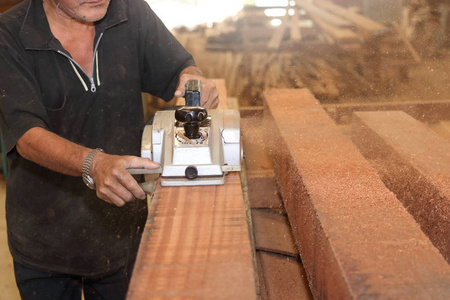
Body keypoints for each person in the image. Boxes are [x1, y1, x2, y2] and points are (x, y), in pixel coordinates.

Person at [0, 0, 219, 299]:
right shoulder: (9, 34)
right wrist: (93, 163)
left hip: (123, 233)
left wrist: (192, 78)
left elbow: (179, 67)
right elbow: (26, 134)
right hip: (45, 240)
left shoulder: (129, 11)